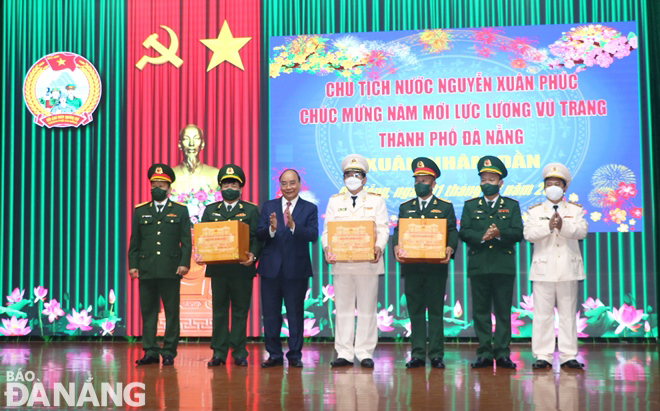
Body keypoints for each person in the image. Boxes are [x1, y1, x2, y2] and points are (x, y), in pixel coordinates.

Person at [322, 154, 389, 369]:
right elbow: (326, 232)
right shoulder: (334, 201)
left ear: (364, 179)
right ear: (343, 178)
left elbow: (383, 229)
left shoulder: (376, 201)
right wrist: (327, 249)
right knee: (342, 309)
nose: (352, 178)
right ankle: (344, 352)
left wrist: (379, 246)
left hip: (368, 263)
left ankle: (364, 352)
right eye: (348, 174)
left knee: (368, 309)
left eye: (356, 174)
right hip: (342, 263)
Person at [393, 157, 459, 369]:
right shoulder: (406, 207)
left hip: (436, 268)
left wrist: (450, 247)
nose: (420, 183)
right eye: (417, 179)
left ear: (433, 183)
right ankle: (418, 354)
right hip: (412, 268)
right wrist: (396, 245)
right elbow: (398, 232)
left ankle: (437, 354)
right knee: (416, 312)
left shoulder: (445, 207)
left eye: (424, 180)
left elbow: (451, 231)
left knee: (437, 311)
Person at [459, 155, 523, 369]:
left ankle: (503, 353)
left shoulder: (512, 205)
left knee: (504, 312)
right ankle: (485, 353)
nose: (487, 184)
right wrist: (481, 236)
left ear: (500, 182)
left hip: (503, 267)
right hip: (479, 267)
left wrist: (498, 234)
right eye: (483, 180)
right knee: (480, 312)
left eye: (491, 180)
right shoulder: (470, 206)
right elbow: (464, 232)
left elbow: (518, 232)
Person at [523, 163, 587, 370]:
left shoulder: (575, 210)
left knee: (568, 314)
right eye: (549, 183)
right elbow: (529, 235)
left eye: (557, 183)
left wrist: (563, 225)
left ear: (564, 187)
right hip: (543, 270)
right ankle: (543, 356)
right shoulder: (534, 211)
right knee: (542, 316)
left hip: (568, 269)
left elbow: (581, 232)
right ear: (544, 187)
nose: (553, 187)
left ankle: (569, 356)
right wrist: (548, 226)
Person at [128, 163, 192, 366]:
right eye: (154, 184)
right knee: (148, 311)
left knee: (172, 312)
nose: (157, 188)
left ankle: (169, 351)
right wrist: (133, 264)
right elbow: (135, 242)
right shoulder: (141, 211)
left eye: (161, 185)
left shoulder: (180, 211)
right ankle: (150, 350)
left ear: (169, 188)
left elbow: (186, 241)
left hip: (171, 269)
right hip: (147, 269)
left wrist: (184, 263)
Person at [200, 164, 262, 367]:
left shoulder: (251, 210)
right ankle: (218, 352)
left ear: (240, 187)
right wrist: (201, 252)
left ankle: (239, 352)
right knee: (219, 311)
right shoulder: (210, 211)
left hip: (241, 269)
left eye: (233, 184)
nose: (229, 187)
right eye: (226, 183)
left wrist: (253, 256)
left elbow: (257, 238)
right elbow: (203, 237)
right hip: (218, 269)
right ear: (220, 187)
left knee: (240, 311)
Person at [257, 169, 319, 368]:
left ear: (299, 184)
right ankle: (274, 354)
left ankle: (294, 355)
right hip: (270, 269)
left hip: (296, 269)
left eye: (292, 183)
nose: (288, 187)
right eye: (284, 183)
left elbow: (312, 235)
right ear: (280, 185)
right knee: (271, 314)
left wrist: (293, 226)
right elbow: (259, 234)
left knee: (295, 313)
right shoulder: (269, 206)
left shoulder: (309, 208)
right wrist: (272, 229)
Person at [171, 124, 221, 194]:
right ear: (179, 144)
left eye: (196, 138)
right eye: (186, 139)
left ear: (202, 144)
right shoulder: (170, 175)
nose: (191, 143)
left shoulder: (215, 175)